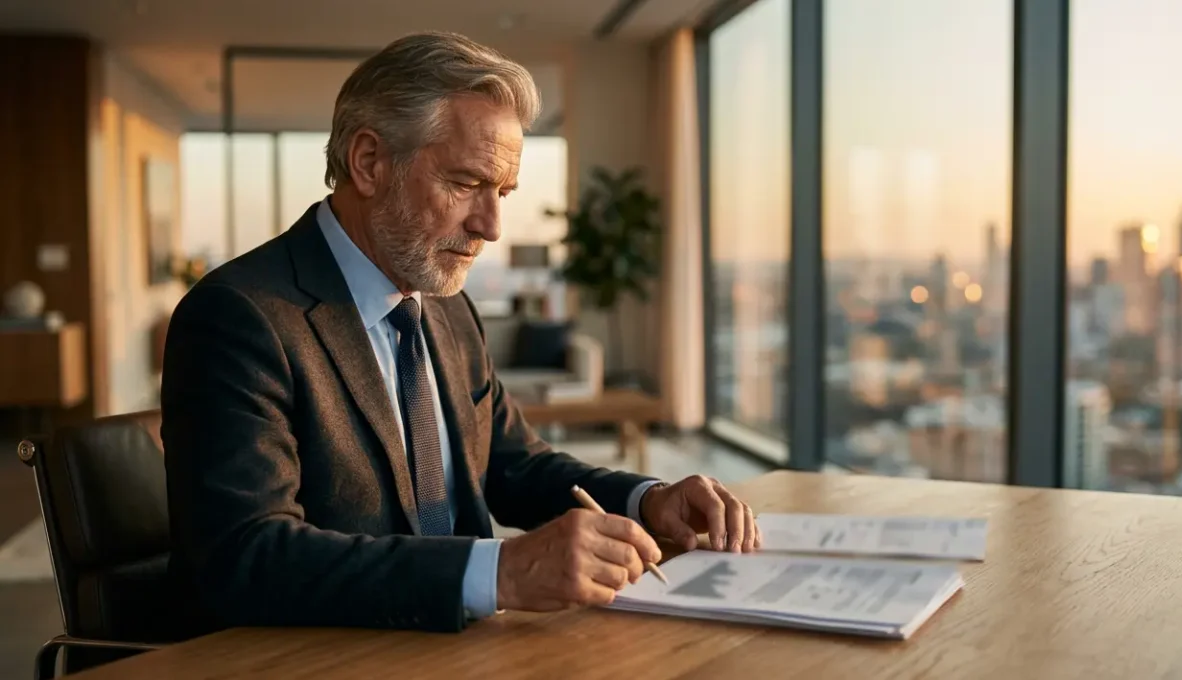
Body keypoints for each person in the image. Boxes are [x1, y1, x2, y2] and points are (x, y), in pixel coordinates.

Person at [161, 31, 760, 634]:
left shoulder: (446, 307)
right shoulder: (238, 316)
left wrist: (647, 500)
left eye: (502, 192)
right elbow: (247, 558)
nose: (492, 225)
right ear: (369, 163)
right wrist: (501, 572)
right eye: (467, 183)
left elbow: (515, 465)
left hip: (471, 650)